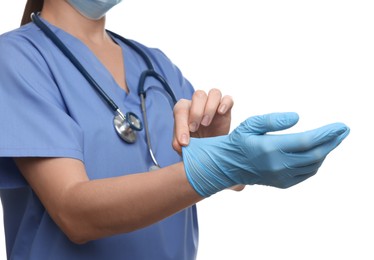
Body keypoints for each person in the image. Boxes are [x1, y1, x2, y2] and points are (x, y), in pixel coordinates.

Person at [0, 0, 350, 259]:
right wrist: (218, 166)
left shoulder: (154, 63)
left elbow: (224, 174)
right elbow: (74, 214)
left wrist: (217, 146)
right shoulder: (16, 58)